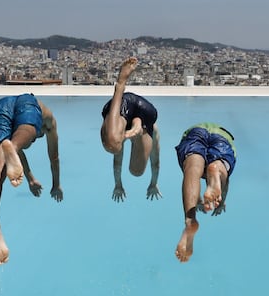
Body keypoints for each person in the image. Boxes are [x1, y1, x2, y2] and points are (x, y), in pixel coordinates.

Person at [0, 93, 63, 264]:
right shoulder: (50, 122)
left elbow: (16, 155)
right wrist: (56, 184)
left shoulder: (16, 133)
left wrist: (30, 179)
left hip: (1, 105)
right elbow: (54, 157)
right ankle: (13, 144)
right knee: (25, 133)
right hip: (27, 102)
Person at [100, 57, 161, 201]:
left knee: (136, 171)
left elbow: (155, 161)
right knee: (113, 145)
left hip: (144, 113)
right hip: (124, 107)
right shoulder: (118, 137)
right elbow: (117, 161)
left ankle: (139, 130)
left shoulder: (151, 128)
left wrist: (153, 183)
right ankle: (121, 84)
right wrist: (118, 184)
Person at [174, 122, 236, 262]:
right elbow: (227, 184)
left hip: (195, 132)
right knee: (221, 166)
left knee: (193, 168)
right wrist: (222, 202)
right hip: (222, 137)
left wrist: (198, 201)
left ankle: (190, 219)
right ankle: (217, 168)